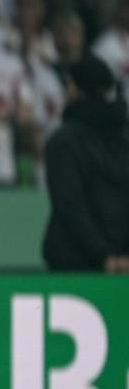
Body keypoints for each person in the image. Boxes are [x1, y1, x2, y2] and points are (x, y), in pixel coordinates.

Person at [42, 55, 129, 272]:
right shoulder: (123, 139)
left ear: (77, 89)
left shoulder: (64, 141)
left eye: (69, 84)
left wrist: (104, 255)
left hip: (73, 261)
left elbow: (69, 205)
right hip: (121, 262)